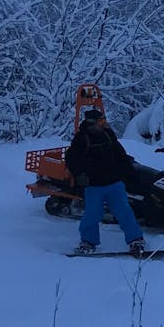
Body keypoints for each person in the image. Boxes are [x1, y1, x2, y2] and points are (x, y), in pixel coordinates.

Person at [64, 108, 148, 255]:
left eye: (104, 120)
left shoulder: (107, 135)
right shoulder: (82, 139)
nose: (104, 123)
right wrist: (79, 174)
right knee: (92, 215)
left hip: (114, 183)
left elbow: (120, 155)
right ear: (92, 123)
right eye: (101, 121)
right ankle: (88, 242)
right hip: (94, 186)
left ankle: (136, 240)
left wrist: (130, 174)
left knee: (124, 212)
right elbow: (71, 158)